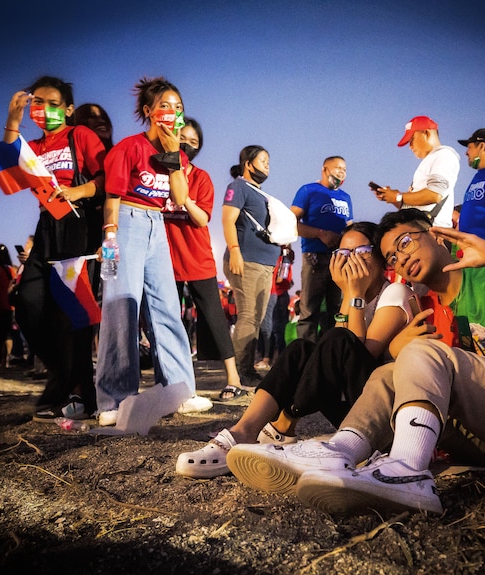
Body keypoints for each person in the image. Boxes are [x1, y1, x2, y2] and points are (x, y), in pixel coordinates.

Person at [224, 209, 485, 515]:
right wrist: (395, 350)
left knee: (418, 353)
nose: (401, 257)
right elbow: (382, 366)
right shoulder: (424, 308)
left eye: (406, 242)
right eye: (392, 256)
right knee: (394, 369)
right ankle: (340, 452)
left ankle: (405, 470)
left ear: (437, 235)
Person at [177, 222, 415, 479]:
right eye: (344, 254)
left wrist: (353, 293)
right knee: (301, 348)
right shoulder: (354, 296)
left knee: (336, 339)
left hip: (381, 418)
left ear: (381, 260)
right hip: (353, 410)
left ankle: (283, 424)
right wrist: (349, 295)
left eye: (361, 252)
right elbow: (338, 355)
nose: (351, 262)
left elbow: (355, 353)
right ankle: (244, 431)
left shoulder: (395, 292)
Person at [96, 76, 211, 427]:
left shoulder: (172, 153)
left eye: (178, 108)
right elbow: (112, 197)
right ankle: (115, 399)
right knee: (122, 305)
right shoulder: (128, 148)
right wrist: (110, 239)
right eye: (165, 106)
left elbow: (178, 197)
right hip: (126, 221)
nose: (172, 112)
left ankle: (179, 391)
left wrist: (174, 153)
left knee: (166, 307)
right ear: (148, 111)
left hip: (155, 224)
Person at [3, 75, 106, 421]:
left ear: (69, 109)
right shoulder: (32, 146)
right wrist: (13, 123)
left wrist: (78, 192)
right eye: (37, 103)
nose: (43, 110)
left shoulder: (81, 136)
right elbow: (7, 171)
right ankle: (61, 375)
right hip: (46, 225)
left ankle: (82, 396)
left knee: (72, 312)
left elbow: (107, 178)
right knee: (27, 302)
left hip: (78, 224)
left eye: (52, 103)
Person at [162, 117, 243, 400]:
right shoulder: (158, 173)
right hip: (163, 261)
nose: (187, 144)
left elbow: (201, 219)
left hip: (197, 258)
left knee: (214, 318)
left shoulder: (201, 178)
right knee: (169, 322)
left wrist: (184, 196)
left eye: (194, 142)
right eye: (182, 138)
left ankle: (233, 378)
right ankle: (173, 384)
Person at [222, 145, 282, 386]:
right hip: (245, 259)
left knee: (256, 319)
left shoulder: (261, 194)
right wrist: (235, 251)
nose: (267, 165)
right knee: (247, 316)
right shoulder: (238, 186)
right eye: (263, 160)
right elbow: (228, 219)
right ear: (248, 163)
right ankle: (239, 372)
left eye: (269, 161)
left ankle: (246, 368)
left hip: (266, 263)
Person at [291, 156, 353, 342]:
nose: (342, 172)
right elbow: (291, 222)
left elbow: (350, 226)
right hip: (315, 258)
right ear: (325, 169)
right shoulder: (308, 190)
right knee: (310, 310)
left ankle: (330, 355)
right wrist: (320, 233)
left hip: (340, 259)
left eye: (345, 169)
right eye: (338, 168)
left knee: (336, 311)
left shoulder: (346, 197)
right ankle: (305, 358)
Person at [373, 116, 460, 229]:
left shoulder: (444, 155)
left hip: (433, 233)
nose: (410, 146)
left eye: (411, 140)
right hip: (421, 229)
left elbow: (434, 195)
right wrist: (391, 197)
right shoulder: (432, 158)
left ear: (426, 133)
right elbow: (417, 206)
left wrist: (397, 196)